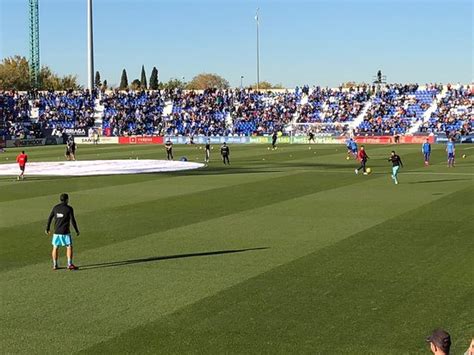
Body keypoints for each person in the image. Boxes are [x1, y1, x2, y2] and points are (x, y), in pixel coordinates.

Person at [45, 193, 80, 270]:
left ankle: (55, 265)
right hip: (65, 232)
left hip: (56, 232)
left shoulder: (55, 208)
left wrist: (47, 228)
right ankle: (69, 264)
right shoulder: (69, 208)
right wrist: (76, 230)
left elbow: (50, 218)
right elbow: (73, 220)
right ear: (67, 199)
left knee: (55, 247)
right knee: (69, 246)